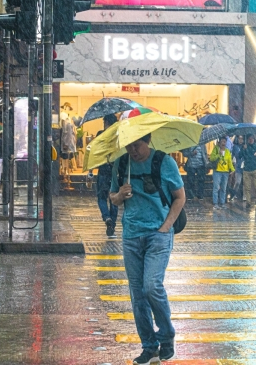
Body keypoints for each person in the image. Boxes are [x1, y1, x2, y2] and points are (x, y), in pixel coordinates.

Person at [109, 134, 185, 365]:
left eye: (137, 145)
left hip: (157, 235)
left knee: (152, 286)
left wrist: (166, 227)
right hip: (131, 235)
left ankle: (167, 336)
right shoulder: (122, 164)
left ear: (148, 140)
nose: (133, 150)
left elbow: (180, 197)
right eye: (129, 145)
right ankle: (149, 346)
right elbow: (112, 197)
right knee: (138, 295)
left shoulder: (163, 161)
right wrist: (119, 196)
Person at [90, 115, 119, 237]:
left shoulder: (100, 134)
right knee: (114, 198)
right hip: (115, 172)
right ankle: (112, 221)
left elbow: (93, 153)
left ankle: (107, 217)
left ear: (106, 122)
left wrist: (90, 170)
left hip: (103, 171)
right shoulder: (118, 135)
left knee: (101, 197)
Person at [209, 137, 235, 209]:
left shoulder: (227, 151)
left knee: (223, 188)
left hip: (225, 172)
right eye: (222, 141)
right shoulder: (216, 149)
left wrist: (232, 169)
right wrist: (218, 155)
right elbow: (212, 158)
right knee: (216, 187)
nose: (224, 143)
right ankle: (215, 203)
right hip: (217, 171)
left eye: (225, 141)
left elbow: (229, 161)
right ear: (219, 142)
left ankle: (222, 203)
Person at [241, 134, 256, 207]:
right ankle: (248, 202)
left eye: (252, 139)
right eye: (249, 139)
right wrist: (243, 149)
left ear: (254, 139)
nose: (250, 140)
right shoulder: (245, 147)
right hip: (246, 170)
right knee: (247, 187)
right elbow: (239, 155)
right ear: (247, 140)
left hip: (255, 169)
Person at [230, 135, 244, 201]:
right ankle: (233, 193)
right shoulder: (235, 147)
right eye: (239, 139)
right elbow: (233, 155)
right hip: (238, 166)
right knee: (237, 182)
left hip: (245, 166)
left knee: (245, 182)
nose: (241, 140)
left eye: (242, 139)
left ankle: (245, 195)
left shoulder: (245, 146)